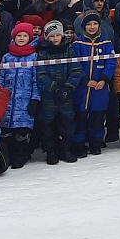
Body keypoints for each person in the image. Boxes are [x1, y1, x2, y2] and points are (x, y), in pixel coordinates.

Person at [70, 9, 116, 156]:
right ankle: (79, 145)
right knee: (81, 118)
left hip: (100, 88)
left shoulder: (106, 43)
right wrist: (85, 80)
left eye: (95, 23)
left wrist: (104, 79)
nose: (92, 27)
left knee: (97, 117)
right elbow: (75, 64)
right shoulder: (77, 44)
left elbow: (111, 62)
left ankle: (96, 143)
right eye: (89, 24)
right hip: (82, 89)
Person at [36, 19, 83, 163]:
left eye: (57, 35)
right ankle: (50, 151)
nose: (55, 38)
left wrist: (68, 88)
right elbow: (40, 74)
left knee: (67, 123)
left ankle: (65, 149)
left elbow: (76, 71)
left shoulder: (70, 51)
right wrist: (54, 88)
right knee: (48, 125)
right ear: (47, 37)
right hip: (49, 96)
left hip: (66, 95)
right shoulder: (43, 54)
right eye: (52, 35)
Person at [0, 22, 40, 168]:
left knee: (22, 131)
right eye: (19, 36)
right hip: (7, 101)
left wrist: (35, 98)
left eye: (25, 36)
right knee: (6, 131)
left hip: (25, 100)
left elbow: (36, 80)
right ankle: (7, 156)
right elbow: (1, 78)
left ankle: (20, 155)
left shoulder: (34, 57)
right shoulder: (7, 57)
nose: (21, 38)